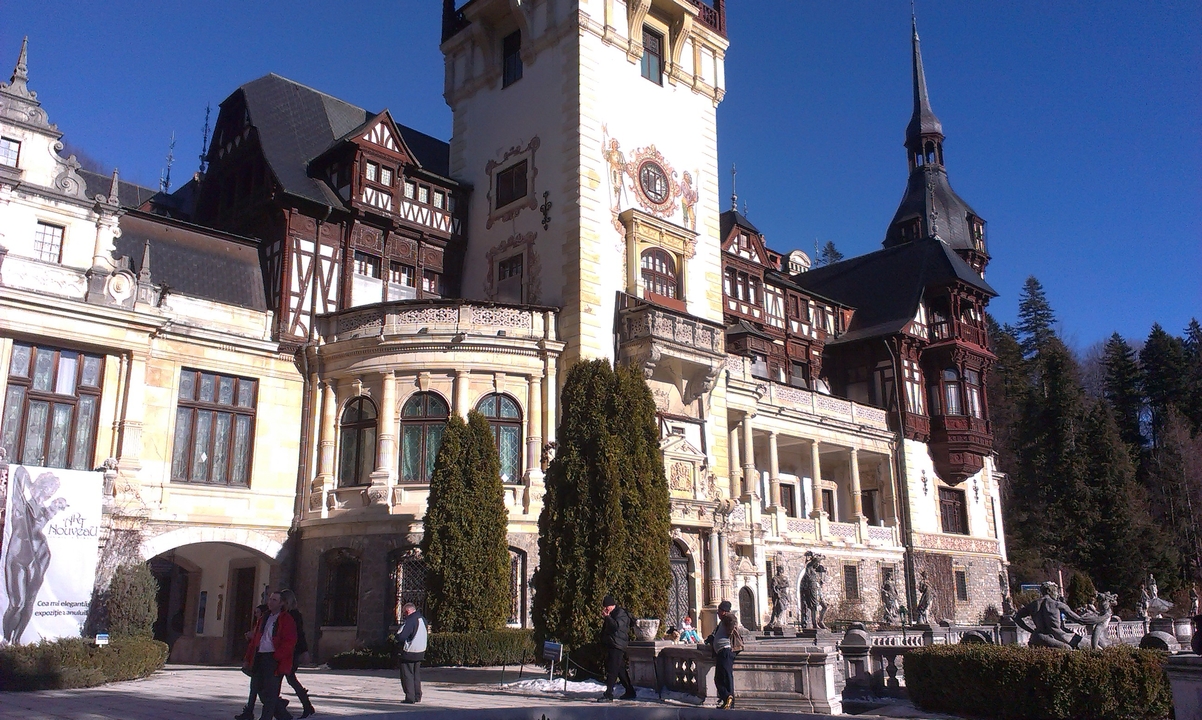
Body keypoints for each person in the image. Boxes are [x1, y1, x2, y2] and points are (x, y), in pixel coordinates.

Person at [3, 468, 69, 644]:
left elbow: (39, 525)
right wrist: (31, 484)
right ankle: (6, 638)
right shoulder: (21, 502)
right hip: (17, 557)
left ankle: (16, 641)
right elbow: (19, 472)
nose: (50, 493)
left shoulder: (44, 510)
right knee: (17, 603)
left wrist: (55, 507)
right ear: (41, 486)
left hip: (37, 558)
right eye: (49, 489)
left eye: (53, 491)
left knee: (29, 602)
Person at [243, 591, 298, 720]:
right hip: (260, 656)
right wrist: (248, 658)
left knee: (271, 692)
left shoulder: (286, 619)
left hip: (273, 658)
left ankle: (266, 717)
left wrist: (277, 656)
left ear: (281, 603)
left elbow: (289, 642)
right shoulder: (264, 618)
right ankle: (284, 716)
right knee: (259, 688)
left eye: (274, 600)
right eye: (270, 599)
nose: (270, 602)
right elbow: (256, 639)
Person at [279, 589, 315, 718]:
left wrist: (304, 651)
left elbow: (300, 634)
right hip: (286, 651)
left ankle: (305, 705)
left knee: (290, 678)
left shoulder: (294, 615)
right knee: (289, 678)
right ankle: (306, 705)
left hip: (291, 652)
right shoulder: (284, 614)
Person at [598, 595, 636, 702]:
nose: (606, 609)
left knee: (612, 670)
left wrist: (607, 617)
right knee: (620, 670)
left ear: (612, 605)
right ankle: (630, 691)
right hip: (612, 644)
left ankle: (609, 694)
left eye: (607, 606)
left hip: (618, 645)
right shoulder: (612, 614)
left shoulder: (620, 613)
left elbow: (616, 627)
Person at [236, 604, 269, 720]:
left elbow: (261, 640)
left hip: (260, 660)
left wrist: (253, 636)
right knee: (256, 688)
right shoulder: (258, 624)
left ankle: (279, 709)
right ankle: (250, 711)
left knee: (258, 688)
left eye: (258, 612)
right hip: (255, 659)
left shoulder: (264, 623)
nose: (255, 614)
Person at [706, 600, 740, 710]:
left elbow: (733, 620)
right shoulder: (721, 623)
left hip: (726, 651)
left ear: (724, 611)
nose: (717, 613)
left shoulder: (728, 618)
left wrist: (730, 630)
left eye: (719, 611)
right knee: (719, 679)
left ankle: (729, 700)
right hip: (721, 652)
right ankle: (727, 699)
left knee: (726, 677)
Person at [395, 602, 427, 704]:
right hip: (420, 651)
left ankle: (410, 697)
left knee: (407, 675)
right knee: (416, 675)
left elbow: (401, 636)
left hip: (409, 652)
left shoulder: (410, 620)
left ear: (408, 611)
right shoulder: (422, 619)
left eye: (404, 613)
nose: (404, 615)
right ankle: (417, 696)